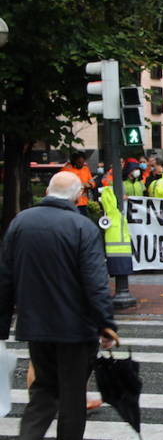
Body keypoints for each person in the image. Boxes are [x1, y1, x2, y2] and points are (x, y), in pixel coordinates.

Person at [0, 171, 120, 440]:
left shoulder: (21, 223)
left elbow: (5, 277)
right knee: (72, 397)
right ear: (78, 195)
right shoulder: (82, 227)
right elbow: (95, 283)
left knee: (43, 391)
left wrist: (2, 325)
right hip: (76, 330)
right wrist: (106, 324)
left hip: (36, 325)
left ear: (47, 191)